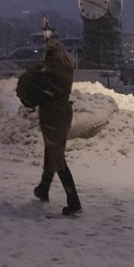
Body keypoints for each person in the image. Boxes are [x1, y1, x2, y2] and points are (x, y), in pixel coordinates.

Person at [24, 38, 81, 216]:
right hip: (63, 110)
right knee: (53, 149)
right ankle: (43, 188)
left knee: (56, 155)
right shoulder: (66, 66)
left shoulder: (50, 68)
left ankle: (74, 202)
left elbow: (41, 88)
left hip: (52, 112)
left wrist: (29, 97)